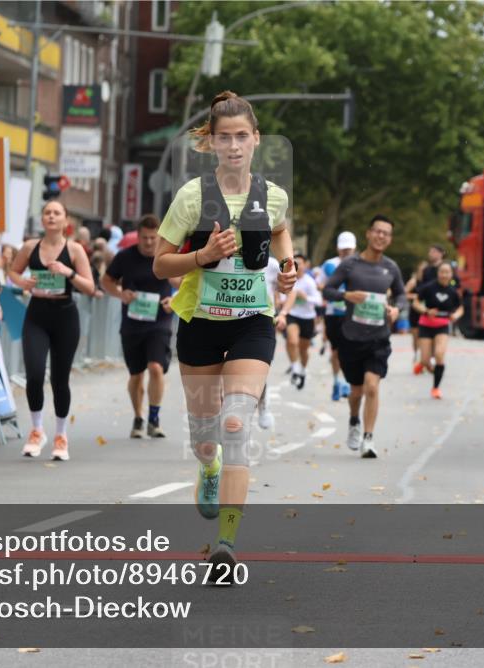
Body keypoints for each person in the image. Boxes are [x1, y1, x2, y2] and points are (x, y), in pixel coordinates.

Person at [153, 91, 296, 574]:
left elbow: (279, 231)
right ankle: (208, 467)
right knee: (206, 437)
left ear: (256, 141)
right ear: (210, 143)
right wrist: (202, 256)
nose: (233, 146)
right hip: (199, 324)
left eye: (242, 137)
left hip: (252, 323)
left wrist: (289, 266)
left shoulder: (272, 195)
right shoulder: (192, 197)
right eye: (224, 138)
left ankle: (226, 545)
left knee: (236, 423)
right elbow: (159, 264)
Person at [9, 200, 94, 461]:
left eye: (57, 212)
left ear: (66, 220)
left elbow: (90, 287)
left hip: (65, 317)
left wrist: (68, 272)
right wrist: (24, 282)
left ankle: (60, 435)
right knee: (34, 374)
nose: (51, 216)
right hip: (37, 314)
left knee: (60, 379)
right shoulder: (30, 246)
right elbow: (13, 271)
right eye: (47, 212)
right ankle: (36, 431)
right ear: (42, 219)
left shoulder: (75, 249)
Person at [323, 215, 407, 457]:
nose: (381, 236)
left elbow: (401, 295)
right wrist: (347, 296)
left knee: (372, 387)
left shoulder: (391, 268)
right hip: (351, 336)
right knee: (356, 391)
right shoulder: (350, 264)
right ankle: (353, 420)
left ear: (389, 239)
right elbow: (328, 290)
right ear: (369, 234)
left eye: (386, 233)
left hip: (379, 338)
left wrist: (396, 309)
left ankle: (368, 439)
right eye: (378, 231)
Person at [102, 214, 181, 438]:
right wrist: (120, 294)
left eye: (153, 238)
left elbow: (184, 282)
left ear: (159, 237)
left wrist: (175, 300)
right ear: (137, 236)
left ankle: (154, 418)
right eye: (144, 238)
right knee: (136, 374)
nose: (148, 243)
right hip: (132, 323)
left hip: (160, 321)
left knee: (155, 368)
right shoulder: (125, 257)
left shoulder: (166, 257)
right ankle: (138, 417)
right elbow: (106, 281)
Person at [412, 262, 464, 399]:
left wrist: (455, 316)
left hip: (442, 326)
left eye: (447, 272)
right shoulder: (428, 288)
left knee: (440, 354)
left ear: (451, 275)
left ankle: (435, 388)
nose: (444, 275)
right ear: (438, 273)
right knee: (425, 360)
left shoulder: (453, 292)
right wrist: (426, 310)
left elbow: (460, 308)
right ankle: (422, 364)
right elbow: (416, 302)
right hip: (426, 325)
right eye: (442, 272)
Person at [276, 254, 321, 390]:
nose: (298, 266)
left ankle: (302, 370)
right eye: (296, 263)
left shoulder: (309, 281)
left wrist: (305, 297)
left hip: (307, 317)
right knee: (292, 341)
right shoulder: (289, 279)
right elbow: (282, 297)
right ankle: (295, 368)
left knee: (303, 349)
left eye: (301, 263)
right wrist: (284, 301)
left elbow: (319, 301)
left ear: (306, 265)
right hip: (293, 315)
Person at [320, 231, 356, 400]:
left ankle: (347, 382)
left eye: (348, 249)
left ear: (354, 248)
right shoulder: (329, 265)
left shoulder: (360, 264)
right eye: (343, 249)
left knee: (349, 349)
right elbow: (320, 285)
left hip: (353, 314)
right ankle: (337, 382)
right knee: (335, 351)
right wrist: (335, 293)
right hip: (333, 314)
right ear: (338, 248)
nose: (346, 252)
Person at [255, 255, 281, 429]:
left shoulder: (272, 264)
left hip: (263, 322)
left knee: (258, 373)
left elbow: (285, 289)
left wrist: (282, 313)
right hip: (229, 320)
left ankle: (262, 405)